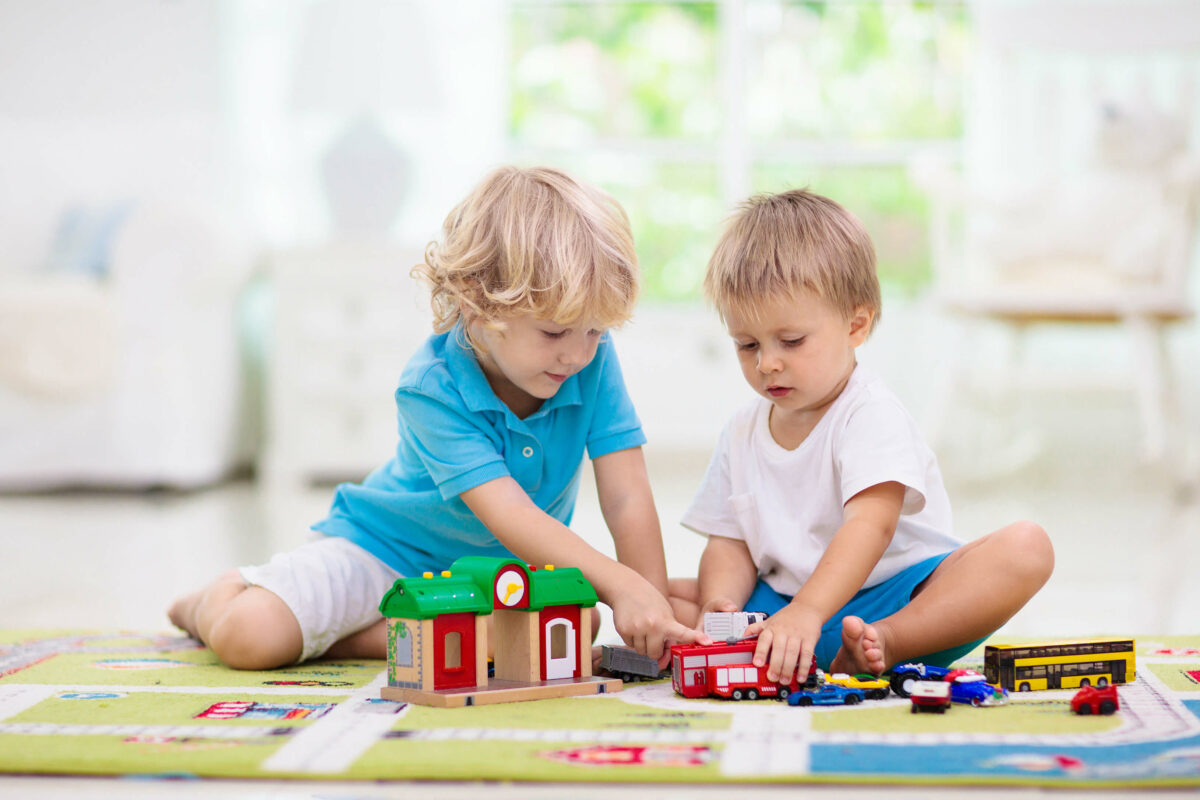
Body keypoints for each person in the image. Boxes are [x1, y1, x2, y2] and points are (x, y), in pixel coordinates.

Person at [170, 165, 704, 669]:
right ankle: (211, 599)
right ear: (478, 304)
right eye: (554, 333)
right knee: (250, 636)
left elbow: (625, 494)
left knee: (573, 624)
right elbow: (511, 515)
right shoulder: (431, 387)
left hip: (497, 575)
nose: (578, 354)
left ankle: (353, 637)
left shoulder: (589, 360)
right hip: (383, 555)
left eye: (594, 331)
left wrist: (650, 605)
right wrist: (621, 586)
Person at [669, 188, 1054, 686]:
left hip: (892, 600)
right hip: (781, 615)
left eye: (790, 341)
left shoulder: (869, 413)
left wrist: (810, 611)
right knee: (662, 595)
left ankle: (886, 644)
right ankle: (769, 649)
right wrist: (720, 604)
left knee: (1026, 548)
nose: (767, 363)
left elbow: (870, 527)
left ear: (856, 324)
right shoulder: (742, 430)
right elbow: (730, 543)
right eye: (747, 345)